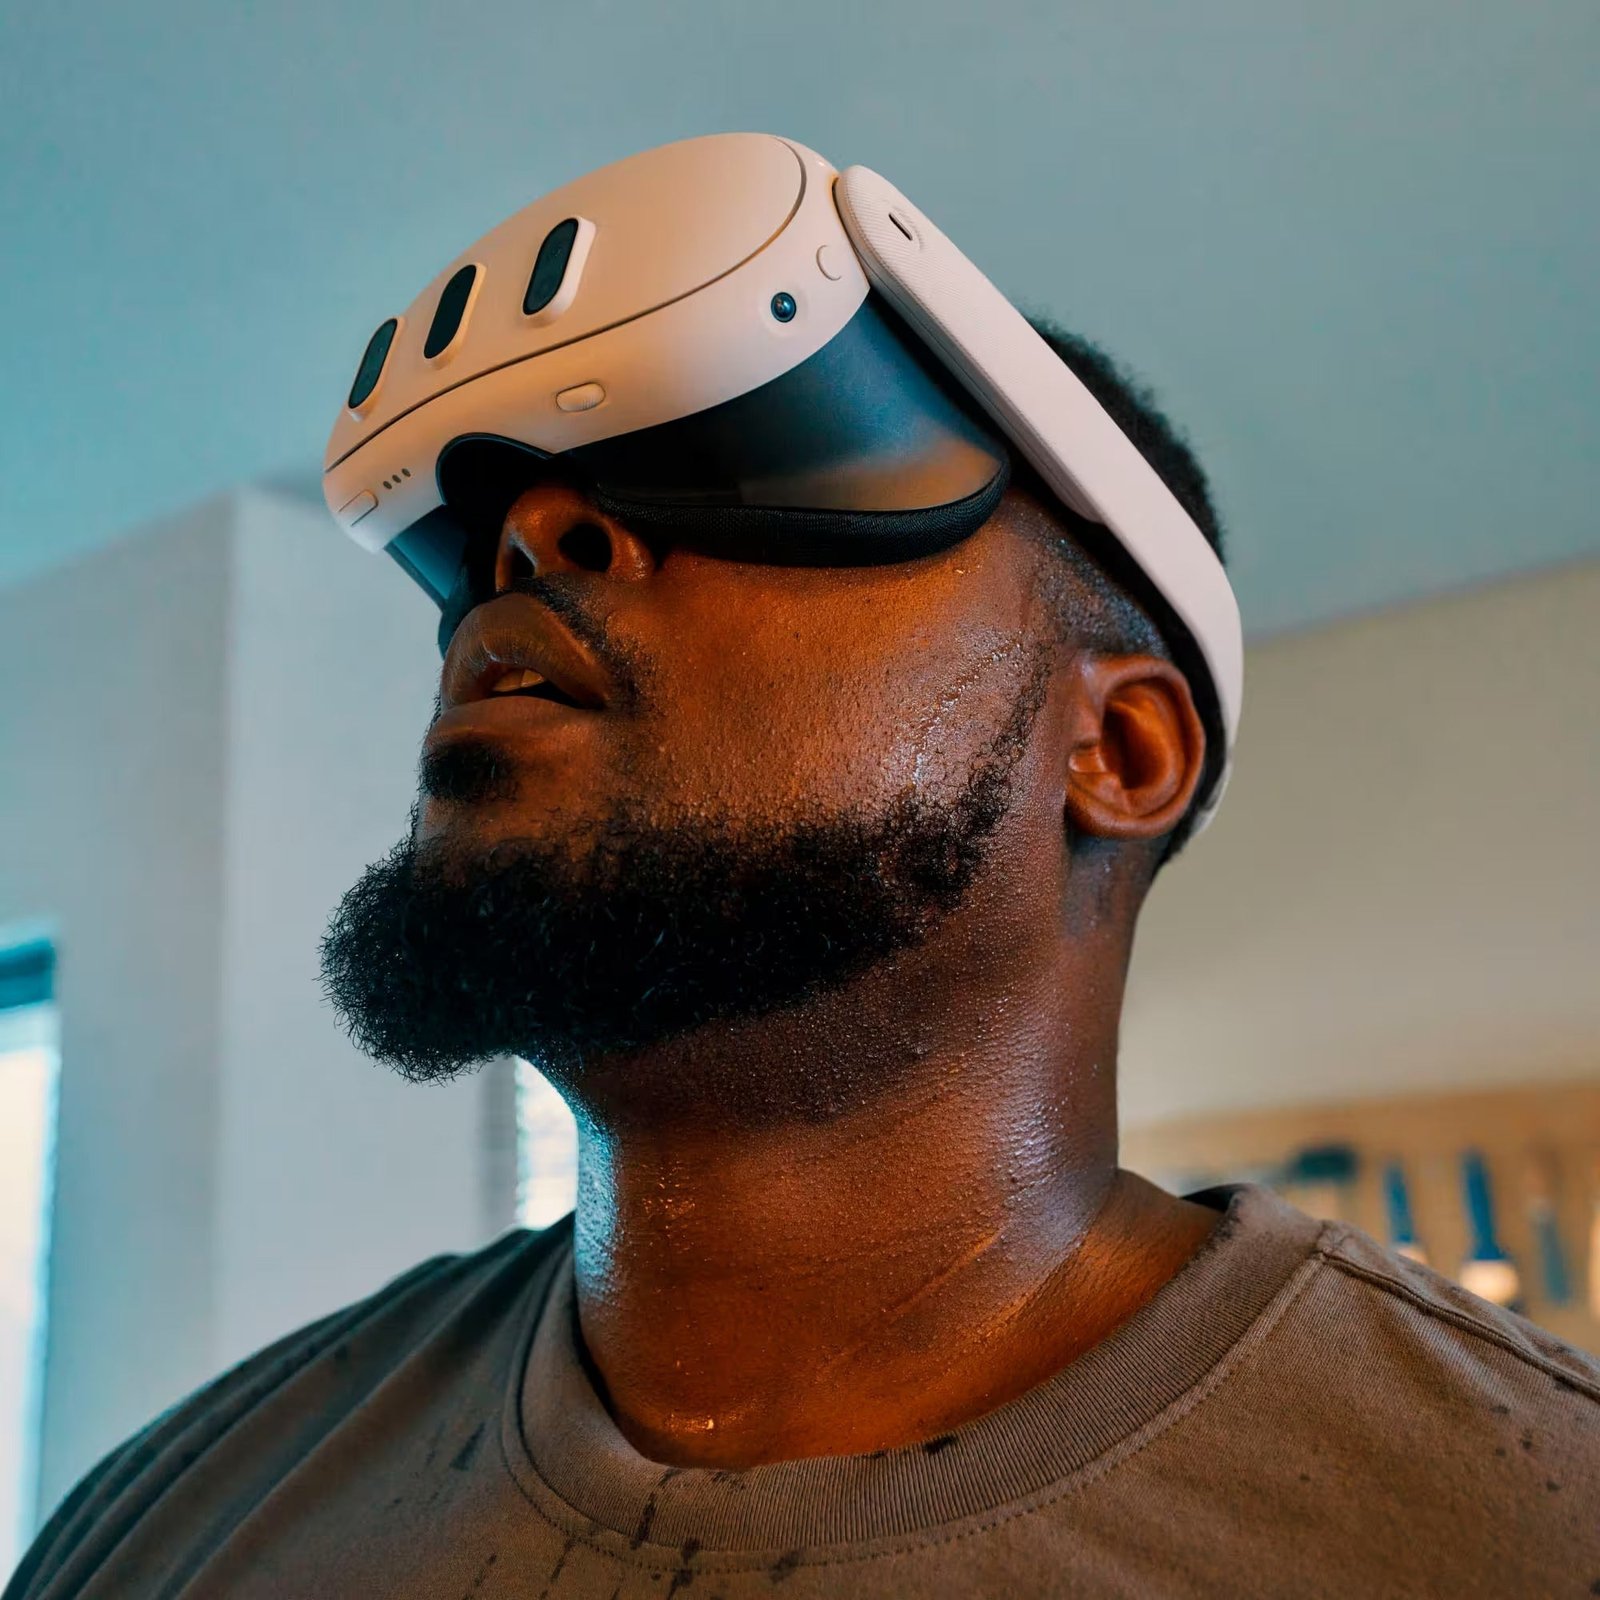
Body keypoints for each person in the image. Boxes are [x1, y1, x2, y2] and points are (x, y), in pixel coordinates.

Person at [10, 142, 1597, 1600]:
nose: (533, 541)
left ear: (1118, 752)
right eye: (480, 546)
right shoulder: (166, 1526)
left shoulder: (1520, 1526)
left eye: (739, 455)